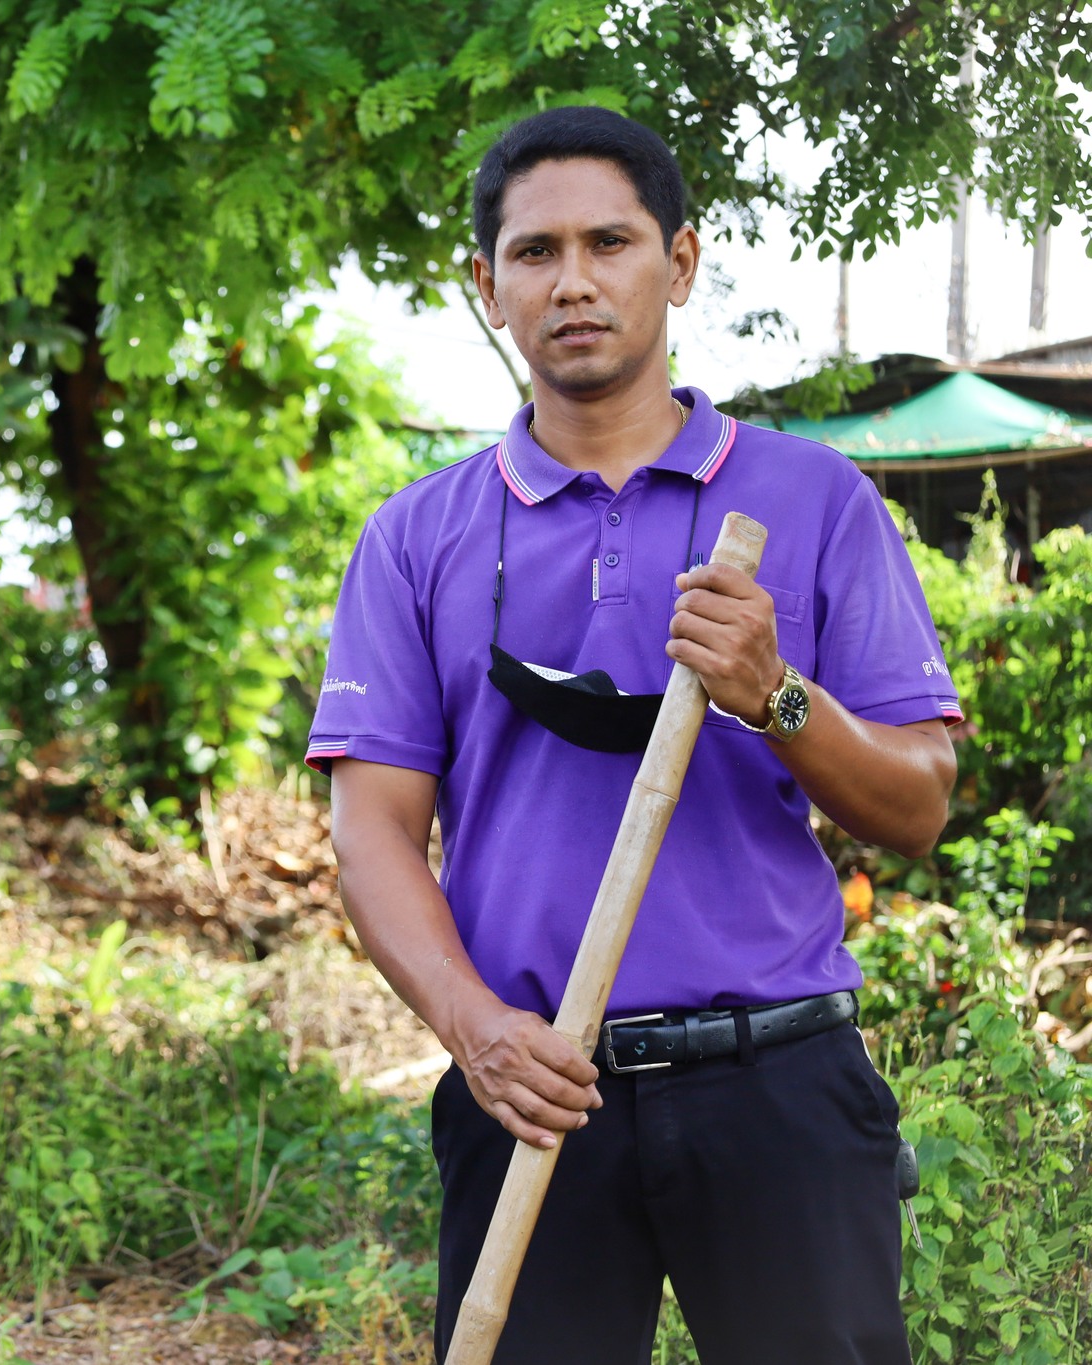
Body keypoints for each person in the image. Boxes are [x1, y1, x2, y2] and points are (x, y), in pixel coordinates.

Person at [309, 107, 957, 1364]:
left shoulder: (811, 500)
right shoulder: (415, 537)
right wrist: (469, 1027)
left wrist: (774, 692)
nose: (574, 281)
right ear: (485, 288)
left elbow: (917, 804)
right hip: (531, 1084)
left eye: (609, 242)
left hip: (775, 1083)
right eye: (533, 252)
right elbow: (371, 834)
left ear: (680, 261)